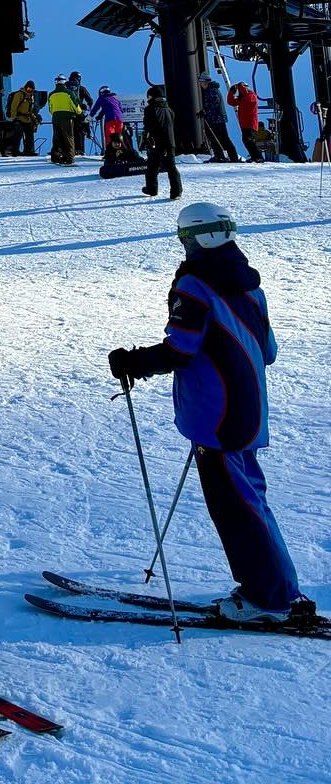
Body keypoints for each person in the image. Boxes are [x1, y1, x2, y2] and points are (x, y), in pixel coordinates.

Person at [108, 203, 315, 626]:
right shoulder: (249, 284)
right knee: (249, 499)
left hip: (218, 417)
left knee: (236, 507)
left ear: (194, 239)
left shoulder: (194, 284)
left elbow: (181, 348)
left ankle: (269, 598)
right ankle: (277, 588)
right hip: (249, 411)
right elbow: (269, 351)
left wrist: (133, 362)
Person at [140, 83, 181, 199]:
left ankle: (151, 189)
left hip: (158, 141)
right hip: (170, 141)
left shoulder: (150, 109)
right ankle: (177, 192)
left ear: (152, 96)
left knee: (152, 166)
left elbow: (147, 125)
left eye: (148, 96)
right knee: (171, 166)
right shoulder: (169, 109)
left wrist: (147, 138)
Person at [198, 73, 241, 163]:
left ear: (205, 82)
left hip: (216, 119)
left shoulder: (212, 90)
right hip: (216, 118)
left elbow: (214, 104)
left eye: (201, 83)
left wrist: (205, 111)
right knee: (219, 138)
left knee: (220, 138)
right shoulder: (211, 90)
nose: (200, 85)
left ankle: (226, 156)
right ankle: (223, 155)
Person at [46, 77, 81, 164]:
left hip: (55, 117)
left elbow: (50, 108)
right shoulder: (68, 93)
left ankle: (55, 156)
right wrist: (80, 113)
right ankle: (69, 158)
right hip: (67, 117)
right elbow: (75, 105)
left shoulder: (51, 94)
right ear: (64, 83)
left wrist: (55, 114)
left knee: (57, 137)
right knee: (68, 137)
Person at [227, 81, 264, 162]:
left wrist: (240, 87)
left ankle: (258, 157)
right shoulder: (243, 98)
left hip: (250, 123)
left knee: (248, 140)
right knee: (246, 140)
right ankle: (255, 157)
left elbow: (249, 100)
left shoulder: (251, 96)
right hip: (245, 124)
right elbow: (231, 102)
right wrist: (232, 91)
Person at [5, 80, 40, 156]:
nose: (30, 91)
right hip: (19, 118)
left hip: (27, 119)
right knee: (18, 135)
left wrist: (34, 119)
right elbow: (13, 107)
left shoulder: (31, 97)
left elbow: (31, 109)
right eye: (29, 89)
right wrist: (13, 118)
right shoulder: (19, 94)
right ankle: (15, 151)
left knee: (29, 135)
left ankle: (28, 151)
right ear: (26, 87)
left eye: (31, 90)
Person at [64, 72, 93, 153]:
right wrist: (88, 108)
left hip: (66, 114)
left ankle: (67, 150)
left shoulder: (65, 87)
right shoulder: (81, 88)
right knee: (79, 132)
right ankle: (79, 150)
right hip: (78, 113)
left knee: (67, 133)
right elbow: (90, 100)